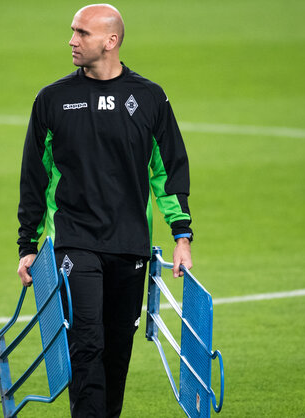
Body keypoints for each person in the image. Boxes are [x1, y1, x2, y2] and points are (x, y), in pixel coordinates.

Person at [16, 4, 193, 417]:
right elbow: (34, 179)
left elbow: (167, 172)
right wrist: (27, 244)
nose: (72, 41)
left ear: (111, 41)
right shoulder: (53, 100)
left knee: (116, 352)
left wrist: (181, 236)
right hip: (74, 242)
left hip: (130, 245)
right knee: (86, 342)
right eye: (72, 32)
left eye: (82, 33)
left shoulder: (149, 98)